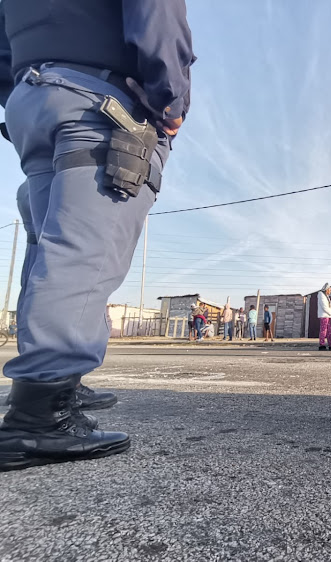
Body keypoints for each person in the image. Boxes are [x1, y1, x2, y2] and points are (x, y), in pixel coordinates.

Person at [0, 0, 193, 472]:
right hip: (96, 99)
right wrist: (170, 97)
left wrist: (18, 91)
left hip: (34, 94)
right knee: (85, 250)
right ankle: (39, 415)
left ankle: (59, 384)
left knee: (49, 246)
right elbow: (155, 12)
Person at [317, 283, 331, 351]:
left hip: (328, 315)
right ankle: (322, 344)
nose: (330, 291)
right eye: (329, 290)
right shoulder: (321, 295)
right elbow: (324, 306)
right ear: (326, 290)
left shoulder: (326, 296)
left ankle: (330, 344)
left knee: (329, 331)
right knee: (323, 331)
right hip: (324, 315)